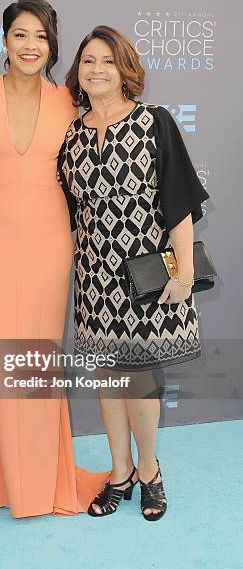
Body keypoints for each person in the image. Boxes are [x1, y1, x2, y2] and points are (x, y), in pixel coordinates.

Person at [0, 0, 109, 518]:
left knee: (39, 360)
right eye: (20, 34)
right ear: (4, 39)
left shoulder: (70, 101)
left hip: (49, 240)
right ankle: (0, 482)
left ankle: (43, 481)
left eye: (41, 37)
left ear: (52, 44)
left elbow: (92, 163)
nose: (30, 46)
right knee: (0, 355)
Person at [59, 25, 210, 521]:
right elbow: (62, 206)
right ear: (77, 72)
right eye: (88, 61)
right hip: (94, 278)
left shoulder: (153, 122)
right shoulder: (73, 136)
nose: (96, 69)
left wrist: (184, 271)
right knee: (108, 375)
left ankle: (149, 470)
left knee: (139, 378)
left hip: (147, 275)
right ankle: (118, 471)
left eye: (107, 61)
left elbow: (180, 203)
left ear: (125, 70)